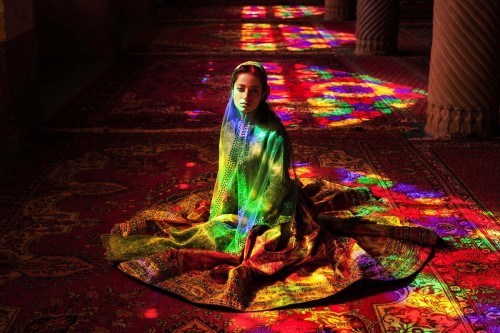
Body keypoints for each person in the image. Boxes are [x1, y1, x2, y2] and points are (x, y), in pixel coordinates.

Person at [102, 61, 438, 311]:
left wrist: (249, 222)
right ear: (231, 90)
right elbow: (226, 171)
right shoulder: (231, 124)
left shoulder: (273, 134)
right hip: (243, 200)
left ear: (264, 94)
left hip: (274, 207)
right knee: (207, 226)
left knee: (265, 247)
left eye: (254, 90)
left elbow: (276, 185)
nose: (246, 97)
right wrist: (221, 208)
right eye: (240, 89)